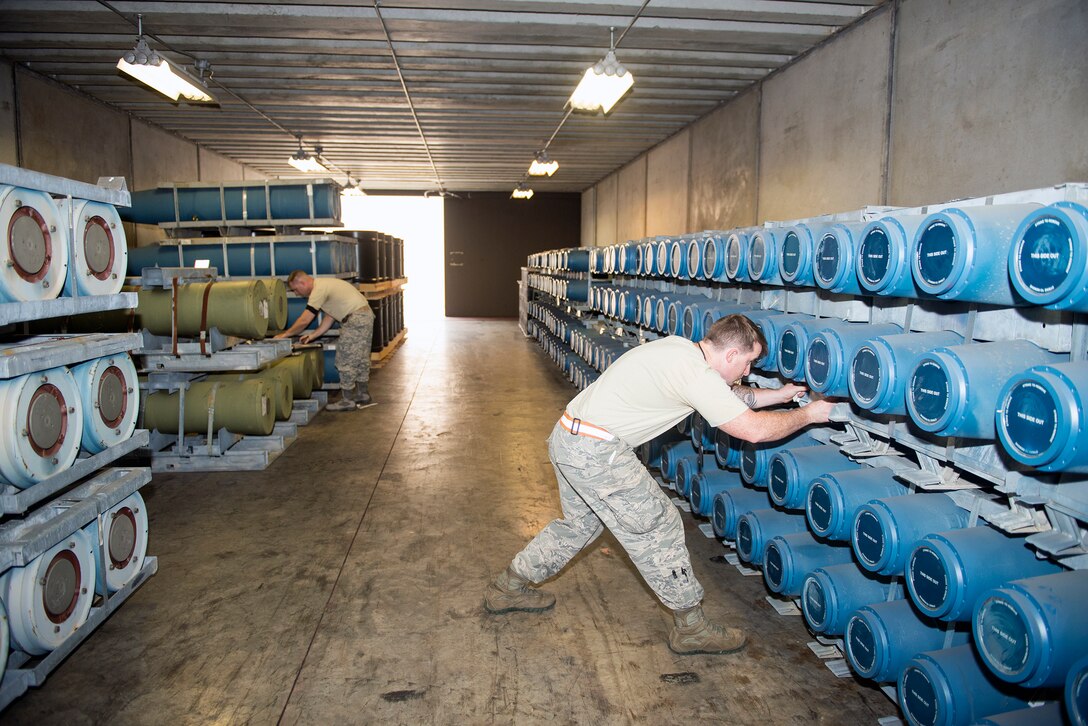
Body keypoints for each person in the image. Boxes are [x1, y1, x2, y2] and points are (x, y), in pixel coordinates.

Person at [484, 313, 835, 655]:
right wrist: (809, 414)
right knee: (659, 526)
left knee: (580, 526)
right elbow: (753, 430)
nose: (748, 372)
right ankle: (691, 629)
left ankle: (508, 586)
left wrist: (780, 395)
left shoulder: (680, 350)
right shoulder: (695, 374)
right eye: (747, 363)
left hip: (569, 438)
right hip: (596, 453)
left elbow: (728, 396)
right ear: (731, 354)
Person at [274, 270, 376, 411]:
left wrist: (285, 335)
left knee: (345, 359)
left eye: (296, 289)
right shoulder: (325, 285)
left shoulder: (318, 290)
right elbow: (329, 318)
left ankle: (347, 401)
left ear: (302, 282)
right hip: (364, 316)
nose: (296, 294)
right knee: (361, 358)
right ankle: (362, 394)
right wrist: (312, 336)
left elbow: (305, 320)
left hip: (355, 320)